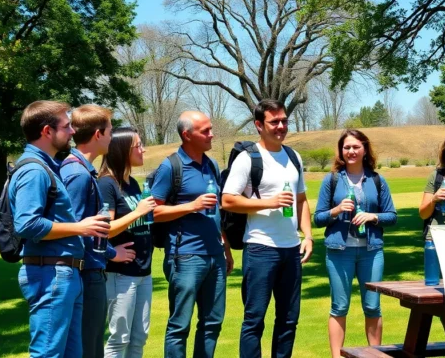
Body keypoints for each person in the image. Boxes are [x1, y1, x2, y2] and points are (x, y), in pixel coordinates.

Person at [10, 101, 110, 357]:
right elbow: (26, 223)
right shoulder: (34, 170)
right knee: (48, 353)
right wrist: (79, 227)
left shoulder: (49, 167)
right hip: (50, 273)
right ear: (47, 131)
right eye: (66, 126)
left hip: (63, 272)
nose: (73, 131)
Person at [222, 99, 313, 358]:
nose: (281, 126)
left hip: (291, 250)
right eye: (275, 122)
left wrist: (308, 236)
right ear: (259, 125)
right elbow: (227, 200)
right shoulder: (247, 159)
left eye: (284, 120)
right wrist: (269, 202)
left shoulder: (294, 156)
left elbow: (301, 200)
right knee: (254, 320)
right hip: (260, 248)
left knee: (289, 320)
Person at [151, 111, 230, 358]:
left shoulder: (212, 165)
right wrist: (191, 206)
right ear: (187, 135)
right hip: (185, 256)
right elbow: (152, 212)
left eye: (211, 129)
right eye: (205, 131)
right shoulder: (170, 167)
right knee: (180, 326)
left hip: (215, 255)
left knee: (212, 322)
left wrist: (226, 249)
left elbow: (217, 212)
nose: (212, 135)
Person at [313, 129, 397, 358]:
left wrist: (373, 216)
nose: (351, 151)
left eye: (356, 147)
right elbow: (318, 218)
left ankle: (375, 354)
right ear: (341, 151)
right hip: (339, 252)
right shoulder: (332, 180)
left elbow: (392, 216)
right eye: (347, 147)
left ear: (365, 149)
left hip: (371, 252)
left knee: (372, 306)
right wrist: (336, 210)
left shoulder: (377, 180)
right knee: (339, 307)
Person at [60, 104, 136, 358]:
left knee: (91, 346)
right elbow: (76, 230)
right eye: (110, 132)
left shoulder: (83, 171)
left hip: (91, 270)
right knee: (88, 348)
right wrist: (111, 254)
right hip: (86, 273)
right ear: (98, 134)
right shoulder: (78, 174)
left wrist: (109, 251)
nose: (112, 138)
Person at [98, 127, 157, 358]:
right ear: (122, 150)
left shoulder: (131, 182)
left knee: (139, 337)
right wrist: (138, 212)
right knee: (119, 338)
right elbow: (105, 229)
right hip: (120, 274)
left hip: (143, 270)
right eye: (138, 145)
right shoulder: (106, 184)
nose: (144, 150)